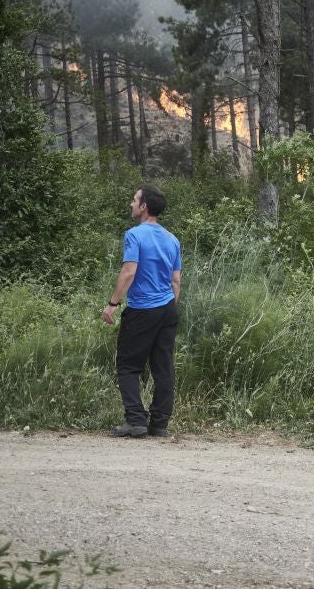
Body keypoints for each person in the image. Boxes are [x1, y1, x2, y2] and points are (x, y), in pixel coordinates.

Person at [102, 186, 182, 438]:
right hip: (168, 309)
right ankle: (159, 424)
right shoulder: (172, 239)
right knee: (163, 367)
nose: (131, 204)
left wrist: (113, 304)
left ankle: (135, 420)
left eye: (135, 200)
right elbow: (176, 280)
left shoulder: (134, 235)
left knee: (127, 365)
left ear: (144, 206)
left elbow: (129, 272)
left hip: (142, 310)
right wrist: (168, 306)